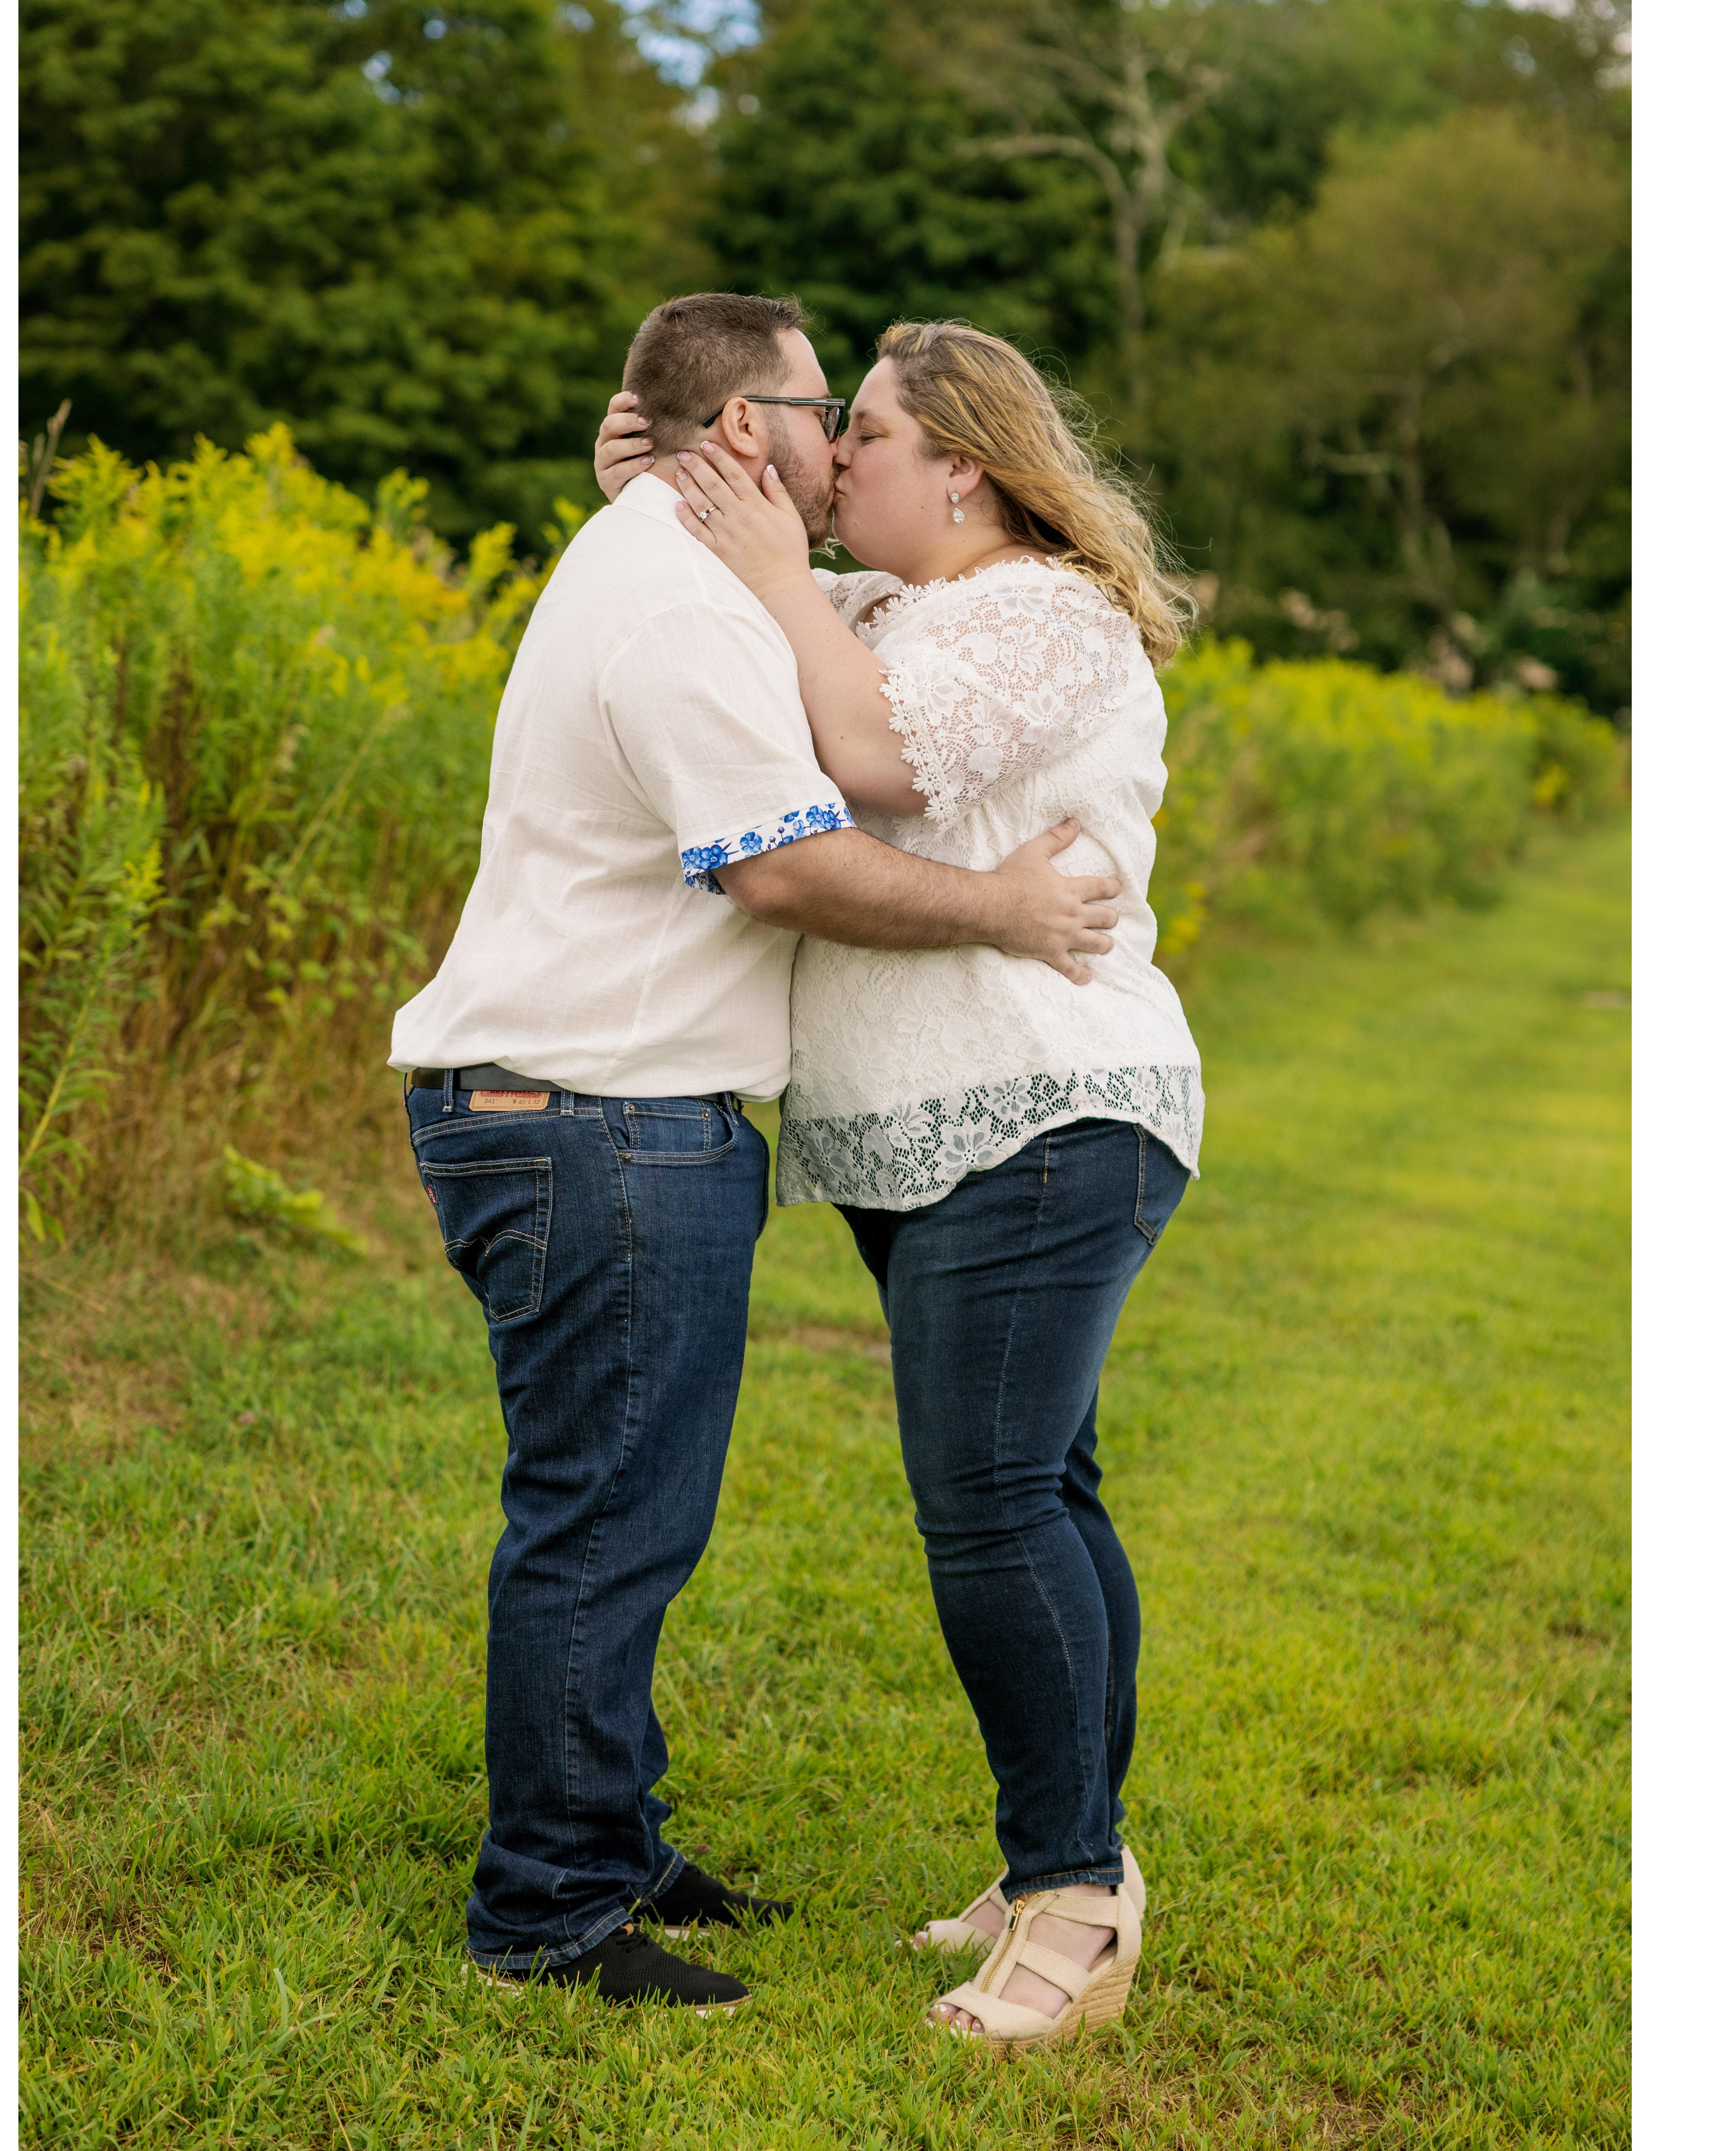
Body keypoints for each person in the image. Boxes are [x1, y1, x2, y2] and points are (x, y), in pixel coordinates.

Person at [389, 293, 1128, 2016]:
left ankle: (610, 1836)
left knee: (623, 1510)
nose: (839, 444)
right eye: (824, 413)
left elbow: (852, 665)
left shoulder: (687, 569)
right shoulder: (677, 610)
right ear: (751, 431)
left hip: (607, 1109)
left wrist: (666, 462)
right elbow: (784, 864)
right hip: (595, 1115)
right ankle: (554, 1908)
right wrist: (1006, 909)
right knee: (602, 1523)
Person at [590, 317, 1203, 2047]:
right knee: (1043, 1487)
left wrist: (784, 570)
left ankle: (1073, 1898)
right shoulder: (888, 613)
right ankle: (1058, 1864)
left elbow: (866, 760)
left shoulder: (1042, 616)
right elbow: (753, 630)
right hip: (948, 1121)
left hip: (1039, 1105)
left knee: (992, 1500)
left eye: (854, 432)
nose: (829, 458)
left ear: (963, 466)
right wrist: (674, 478)